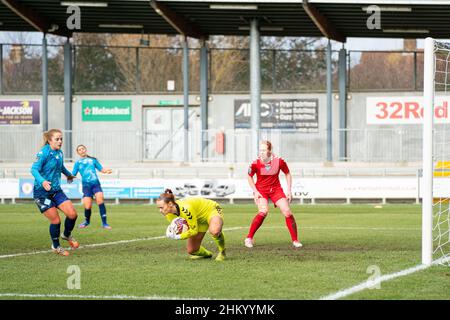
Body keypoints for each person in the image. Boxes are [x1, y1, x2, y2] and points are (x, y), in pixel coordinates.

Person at [31, 129, 80, 256]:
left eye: (61, 139)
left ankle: (66, 234)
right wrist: (42, 181)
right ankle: (56, 246)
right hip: (42, 193)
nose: (60, 141)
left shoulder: (59, 152)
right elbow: (34, 169)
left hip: (56, 191)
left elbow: (61, 167)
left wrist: (68, 175)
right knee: (56, 221)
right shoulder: (43, 153)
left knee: (73, 214)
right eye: (57, 139)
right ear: (49, 140)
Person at [245, 140, 302, 248]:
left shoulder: (279, 161)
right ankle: (249, 238)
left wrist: (289, 191)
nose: (261, 152)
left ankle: (295, 240)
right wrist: (255, 191)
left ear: (270, 151)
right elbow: (249, 176)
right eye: (260, 150)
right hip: (261, 190)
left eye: (264, 150)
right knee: (263, 212)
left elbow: (287, 173)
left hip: (276, 190)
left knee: (287, 211)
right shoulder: (255, 163)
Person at [156, 189, 226, 261]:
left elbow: (193, 231)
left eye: (161, 207)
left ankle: (222, 251)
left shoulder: (186, 209)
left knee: (215, 231)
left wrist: (178, 236)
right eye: (159, 208)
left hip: (210, 209)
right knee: (192, 250)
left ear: (170, 204)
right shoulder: (169, 215)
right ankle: (208, 254)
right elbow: (183, 228)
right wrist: (174, 232)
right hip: (197, 219)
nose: (160, 211)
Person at [72, 144, 113, 229]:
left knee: (100, 200)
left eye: (83, 148)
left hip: (95, 184)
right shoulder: (77, 163)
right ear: (78, 152)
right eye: (79, 150)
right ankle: (87, 222)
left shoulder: (92, 160)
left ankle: (105, 223)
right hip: (86, 186)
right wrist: (69, 177)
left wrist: (106, 171)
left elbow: (101, 169)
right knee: (87, 206)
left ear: (85, 149)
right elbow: (73, 174)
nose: (82, 150)